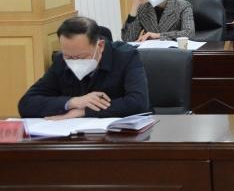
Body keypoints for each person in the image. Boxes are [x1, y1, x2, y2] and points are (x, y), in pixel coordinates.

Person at [19, 16, 149, 119]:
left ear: (100, 46)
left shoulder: (126, 56)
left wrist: (85, 111)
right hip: (74, 135)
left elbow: (138, 103)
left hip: (121, 135)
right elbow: (26, 103)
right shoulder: (61, 61)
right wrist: (73, 102)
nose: (74, 62)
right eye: (69, 57)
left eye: (81, 57)